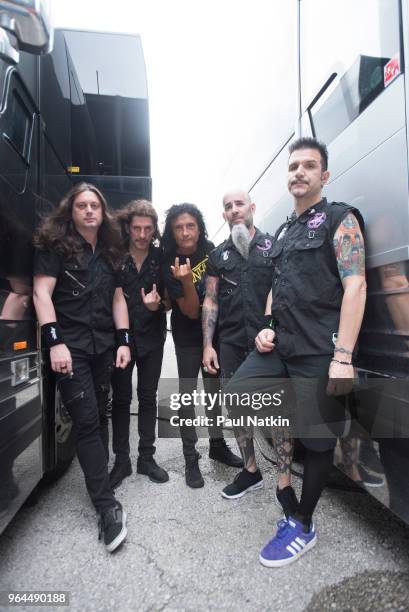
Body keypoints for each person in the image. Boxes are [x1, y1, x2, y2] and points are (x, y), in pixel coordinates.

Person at [221, 137, 367, 567]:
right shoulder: (284, 232)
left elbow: (355, 285)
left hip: (318, 350)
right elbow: (275, 289)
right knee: (237, 394)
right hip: (280, 346)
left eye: (308, 166)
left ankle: (303, 523)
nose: (298, 172)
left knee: (318, 441)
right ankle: (281, 475)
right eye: (293, 167)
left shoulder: (340, 219)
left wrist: (343, 355)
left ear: (323, 175)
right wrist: (266, 328)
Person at [33, 182, 131, 553]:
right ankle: (107, 509)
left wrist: (123, 340)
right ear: (71, 211)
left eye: (95, 205)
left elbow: (118, 298)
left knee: (99, 414)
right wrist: (54, 341)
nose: (89, 211)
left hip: (104, 346)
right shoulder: (55, 246)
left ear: (102, 212)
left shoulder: (111, 252)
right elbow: (42, 294)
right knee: (87, 420)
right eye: (82, 206)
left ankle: (100, 480)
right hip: (69, 348)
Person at [202, 190, 296, 516]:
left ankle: (284, 482)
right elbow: (211, 301)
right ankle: (251, 470)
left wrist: (274, 327)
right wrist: (207, 345)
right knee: (237, 409)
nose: (234, 210)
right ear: (224, 215)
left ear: (252, 208)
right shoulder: (217, 257)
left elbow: (284, 291)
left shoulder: (274, 247)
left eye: (239, 204)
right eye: (227, 206)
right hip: (229, 342)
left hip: (268, 343)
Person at [162, 203, 243, 488]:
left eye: (191, 226)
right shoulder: (166, 260)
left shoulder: (211, 250)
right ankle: (189, 456)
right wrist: (184, 282)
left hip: (214, 336)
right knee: (186, 395)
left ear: (199, 228)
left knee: (213, 392)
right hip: (186, 336)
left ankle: (218, 445)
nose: (185, 232)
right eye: (179, 227)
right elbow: (191, 311)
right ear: (172, 232)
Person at [109, 200, 169, 489]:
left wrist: (158, 306)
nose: (142, 234)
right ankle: (121, 460)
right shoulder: (115, 257)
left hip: (152, 338)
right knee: (120, 400)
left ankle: (146, 457)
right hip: (121, 340)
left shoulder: (161, 258)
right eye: (137, 228)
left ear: (154, 229)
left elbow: (171, 299)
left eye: (148, 228)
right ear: (128, 228)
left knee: (147, 397)